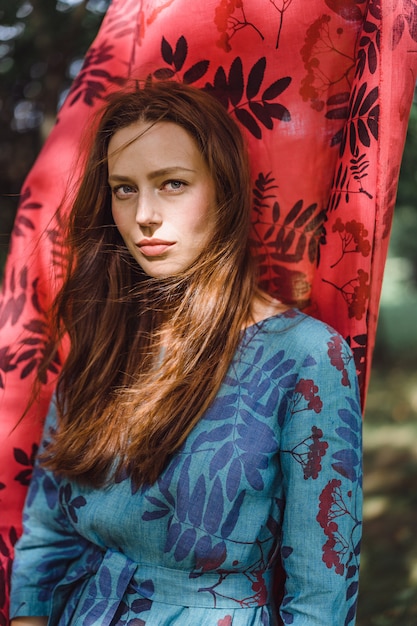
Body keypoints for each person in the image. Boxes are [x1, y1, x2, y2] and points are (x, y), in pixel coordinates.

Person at [9, 81, 362, 626]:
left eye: (172, 183)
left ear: (224, 190)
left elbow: (321, 597)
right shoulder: (104, 340)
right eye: (124, 189)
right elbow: (47, 537)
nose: (144, 214)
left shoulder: (307, 357)